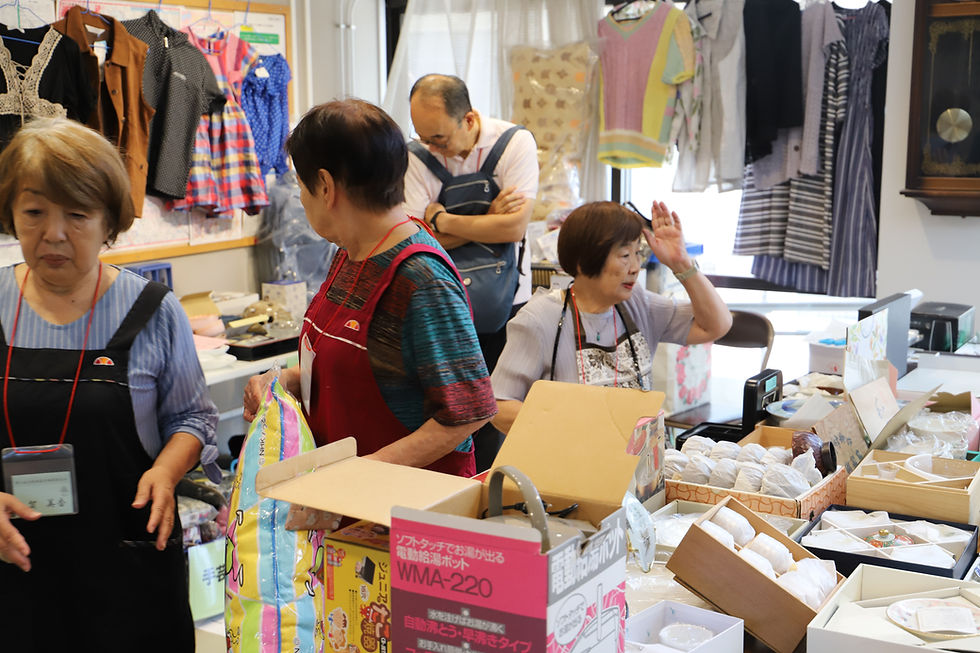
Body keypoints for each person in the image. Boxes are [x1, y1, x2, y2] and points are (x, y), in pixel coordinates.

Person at [0, 118, 219, 651]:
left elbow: (194, 418)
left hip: (128, 562)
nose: (53, 233)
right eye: (34, 212)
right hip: (13, 563)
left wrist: (167, 471)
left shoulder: (153, 311)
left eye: (76, 215)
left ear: (109, 222)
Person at [243, 99, 496, 488]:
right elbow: (367, 366)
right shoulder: (350, 251)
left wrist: (357, 476)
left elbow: (468, 412)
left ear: (325, 187)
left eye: (301, 187)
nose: (301, 199)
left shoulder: (421, 277)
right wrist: (285, 379)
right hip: (344, 508)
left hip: (403, 514)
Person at [491, 201, 732, 434]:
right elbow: (499, 405)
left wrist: (681, 262)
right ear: (583, 261)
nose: (635, 266)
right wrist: (568, 426)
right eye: (625, 255)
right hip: (576, 465)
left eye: (638, 253)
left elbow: (715, 326)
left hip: (642, 467)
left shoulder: (638, 303)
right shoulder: (540, 318)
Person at [404, 73, 539, 470]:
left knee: (497, 410)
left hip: (507, 301)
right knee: (448, 409)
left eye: (439, 139)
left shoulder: (514, 143)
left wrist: (443, 220)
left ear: (469, 119)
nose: (430, 147)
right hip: (442, 301)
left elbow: (514, 228)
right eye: (423, 137)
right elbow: (416, 241)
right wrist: (485, 219)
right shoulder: (415, 157)